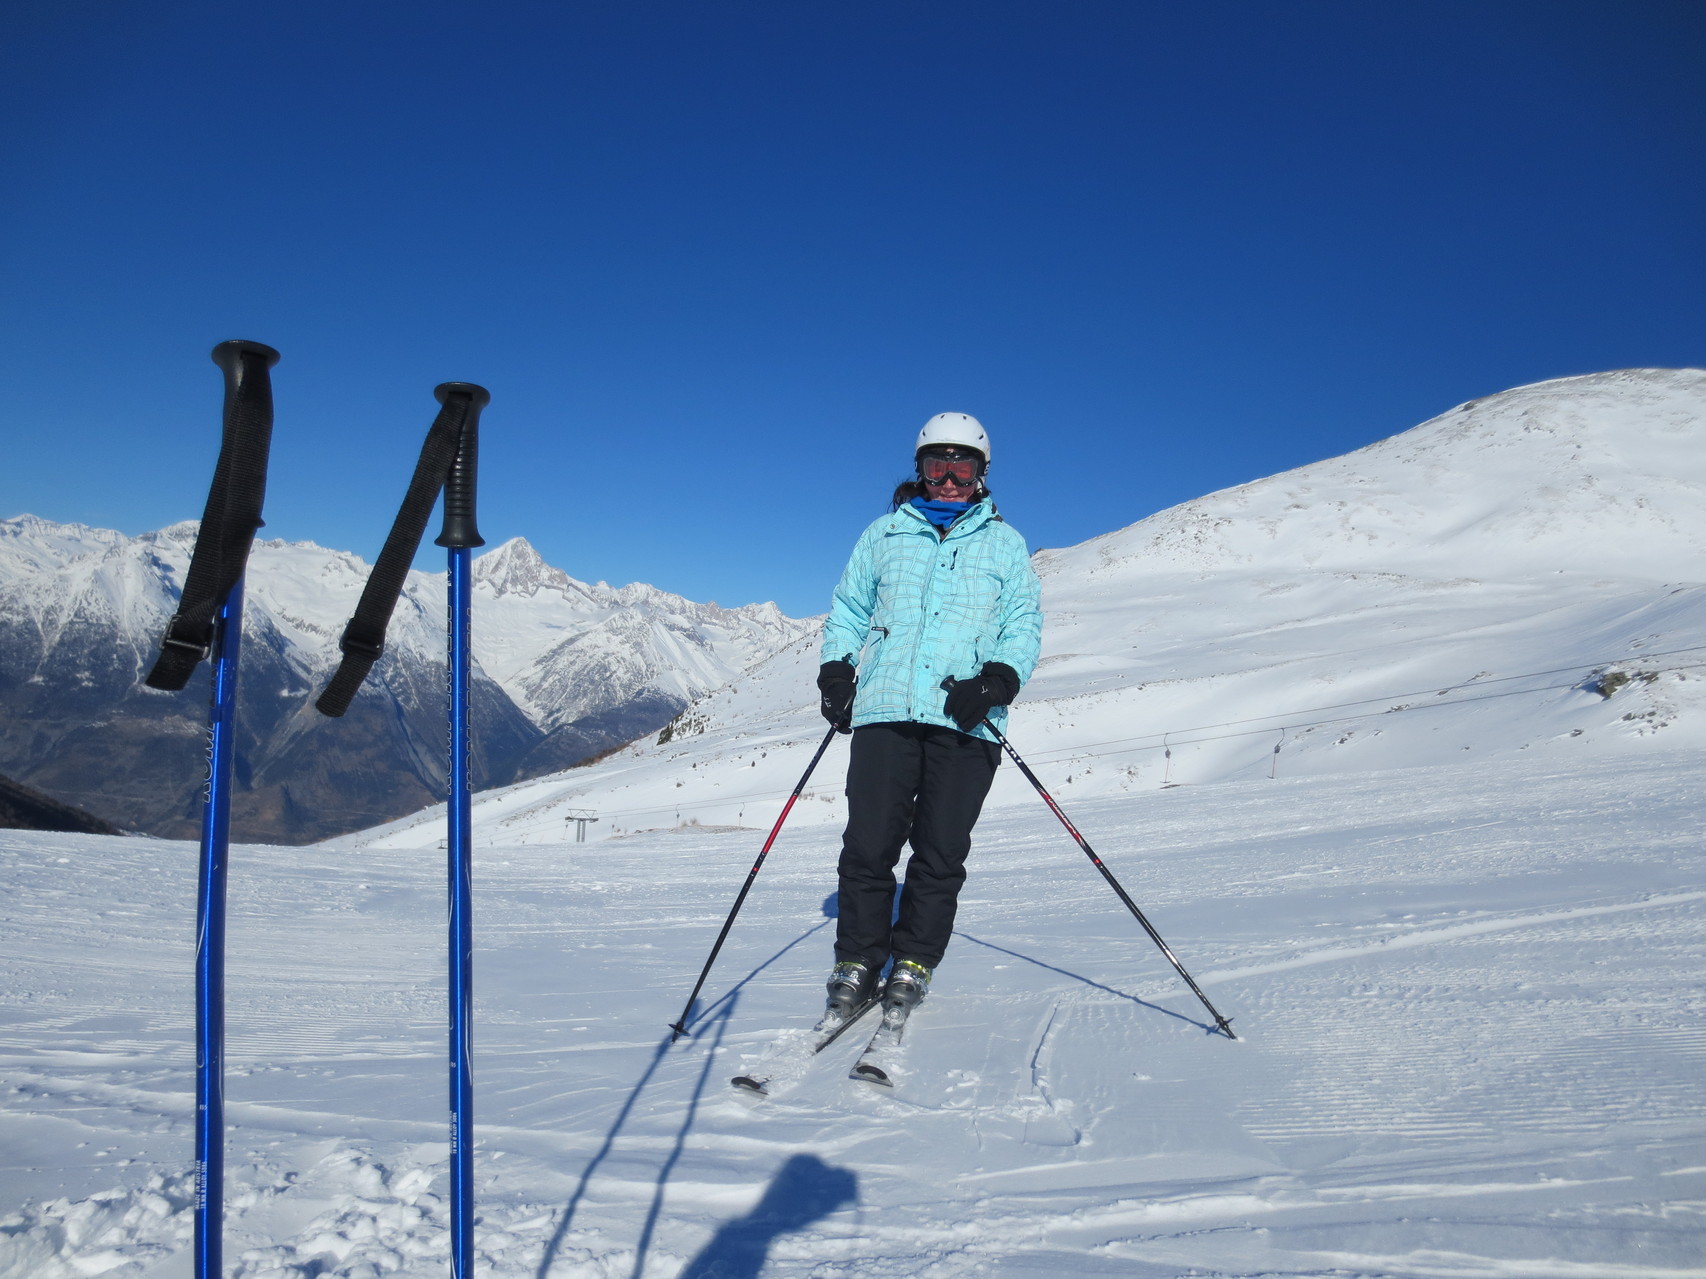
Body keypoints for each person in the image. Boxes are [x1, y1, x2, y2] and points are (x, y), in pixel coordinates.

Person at [814, 412, 1044, 1022]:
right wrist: (837, 671)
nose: (947, 478)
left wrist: (998, 679)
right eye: (935, 464)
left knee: (940, 851)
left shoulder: (1005, 543)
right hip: (886, 710)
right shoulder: (884, 535)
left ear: (981, 474)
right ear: (918, 469)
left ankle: (915, 958)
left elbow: (1023, 622)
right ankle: (858, 958)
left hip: (967, 720)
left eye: (961, 465)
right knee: (869, 845)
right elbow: (848, 609)